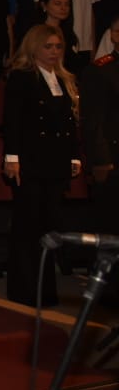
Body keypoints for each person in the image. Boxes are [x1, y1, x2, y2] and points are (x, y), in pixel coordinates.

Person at [2, 26, 83, 307]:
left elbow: (70, 123)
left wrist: (74, 157)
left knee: (49, 228)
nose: (53, 52)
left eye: (58, 46)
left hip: (56, 162)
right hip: (30, 161)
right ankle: (24, 290)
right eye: (48, 46)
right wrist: (12, 158)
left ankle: (45, 290)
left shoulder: (63, 78)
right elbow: (12, 121)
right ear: (34, 47)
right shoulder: (22, 78)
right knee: (28, 226)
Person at [79, 16, 119, 233]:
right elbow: (93, 120)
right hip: (113, 155)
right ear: (114, 36)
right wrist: (101, 159)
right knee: (111, 224)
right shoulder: (101, 70)